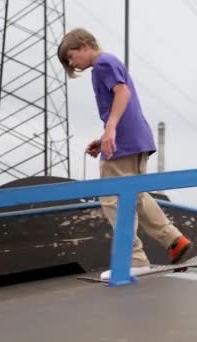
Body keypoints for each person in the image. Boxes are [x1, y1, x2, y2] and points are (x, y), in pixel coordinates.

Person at [57, 28, 195, 280]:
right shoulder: (109, 61)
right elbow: (123, 104)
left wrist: (110, 130)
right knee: (137, 195)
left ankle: (134, 260)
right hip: (135, 138)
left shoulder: (102, 64)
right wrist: (104, 137)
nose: (72, 63)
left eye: (71, 56)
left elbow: (123, 93)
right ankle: (174, 240)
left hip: (123, 142)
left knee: (112, 199)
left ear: (84, 44)